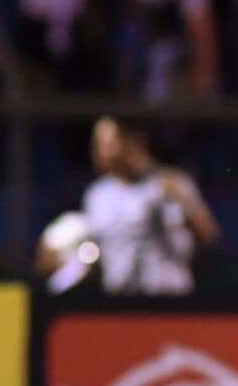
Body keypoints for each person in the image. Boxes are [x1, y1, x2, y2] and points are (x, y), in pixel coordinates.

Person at [83, 116, 219, 296]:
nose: (101, 152)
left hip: (168, 299)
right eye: (98, 144)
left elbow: (208, 235)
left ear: (132, 142)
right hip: (119, 301)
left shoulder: (170, 182)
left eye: (109, 144)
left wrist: (182, 202)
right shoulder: (97, 195)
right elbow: (96, 253)